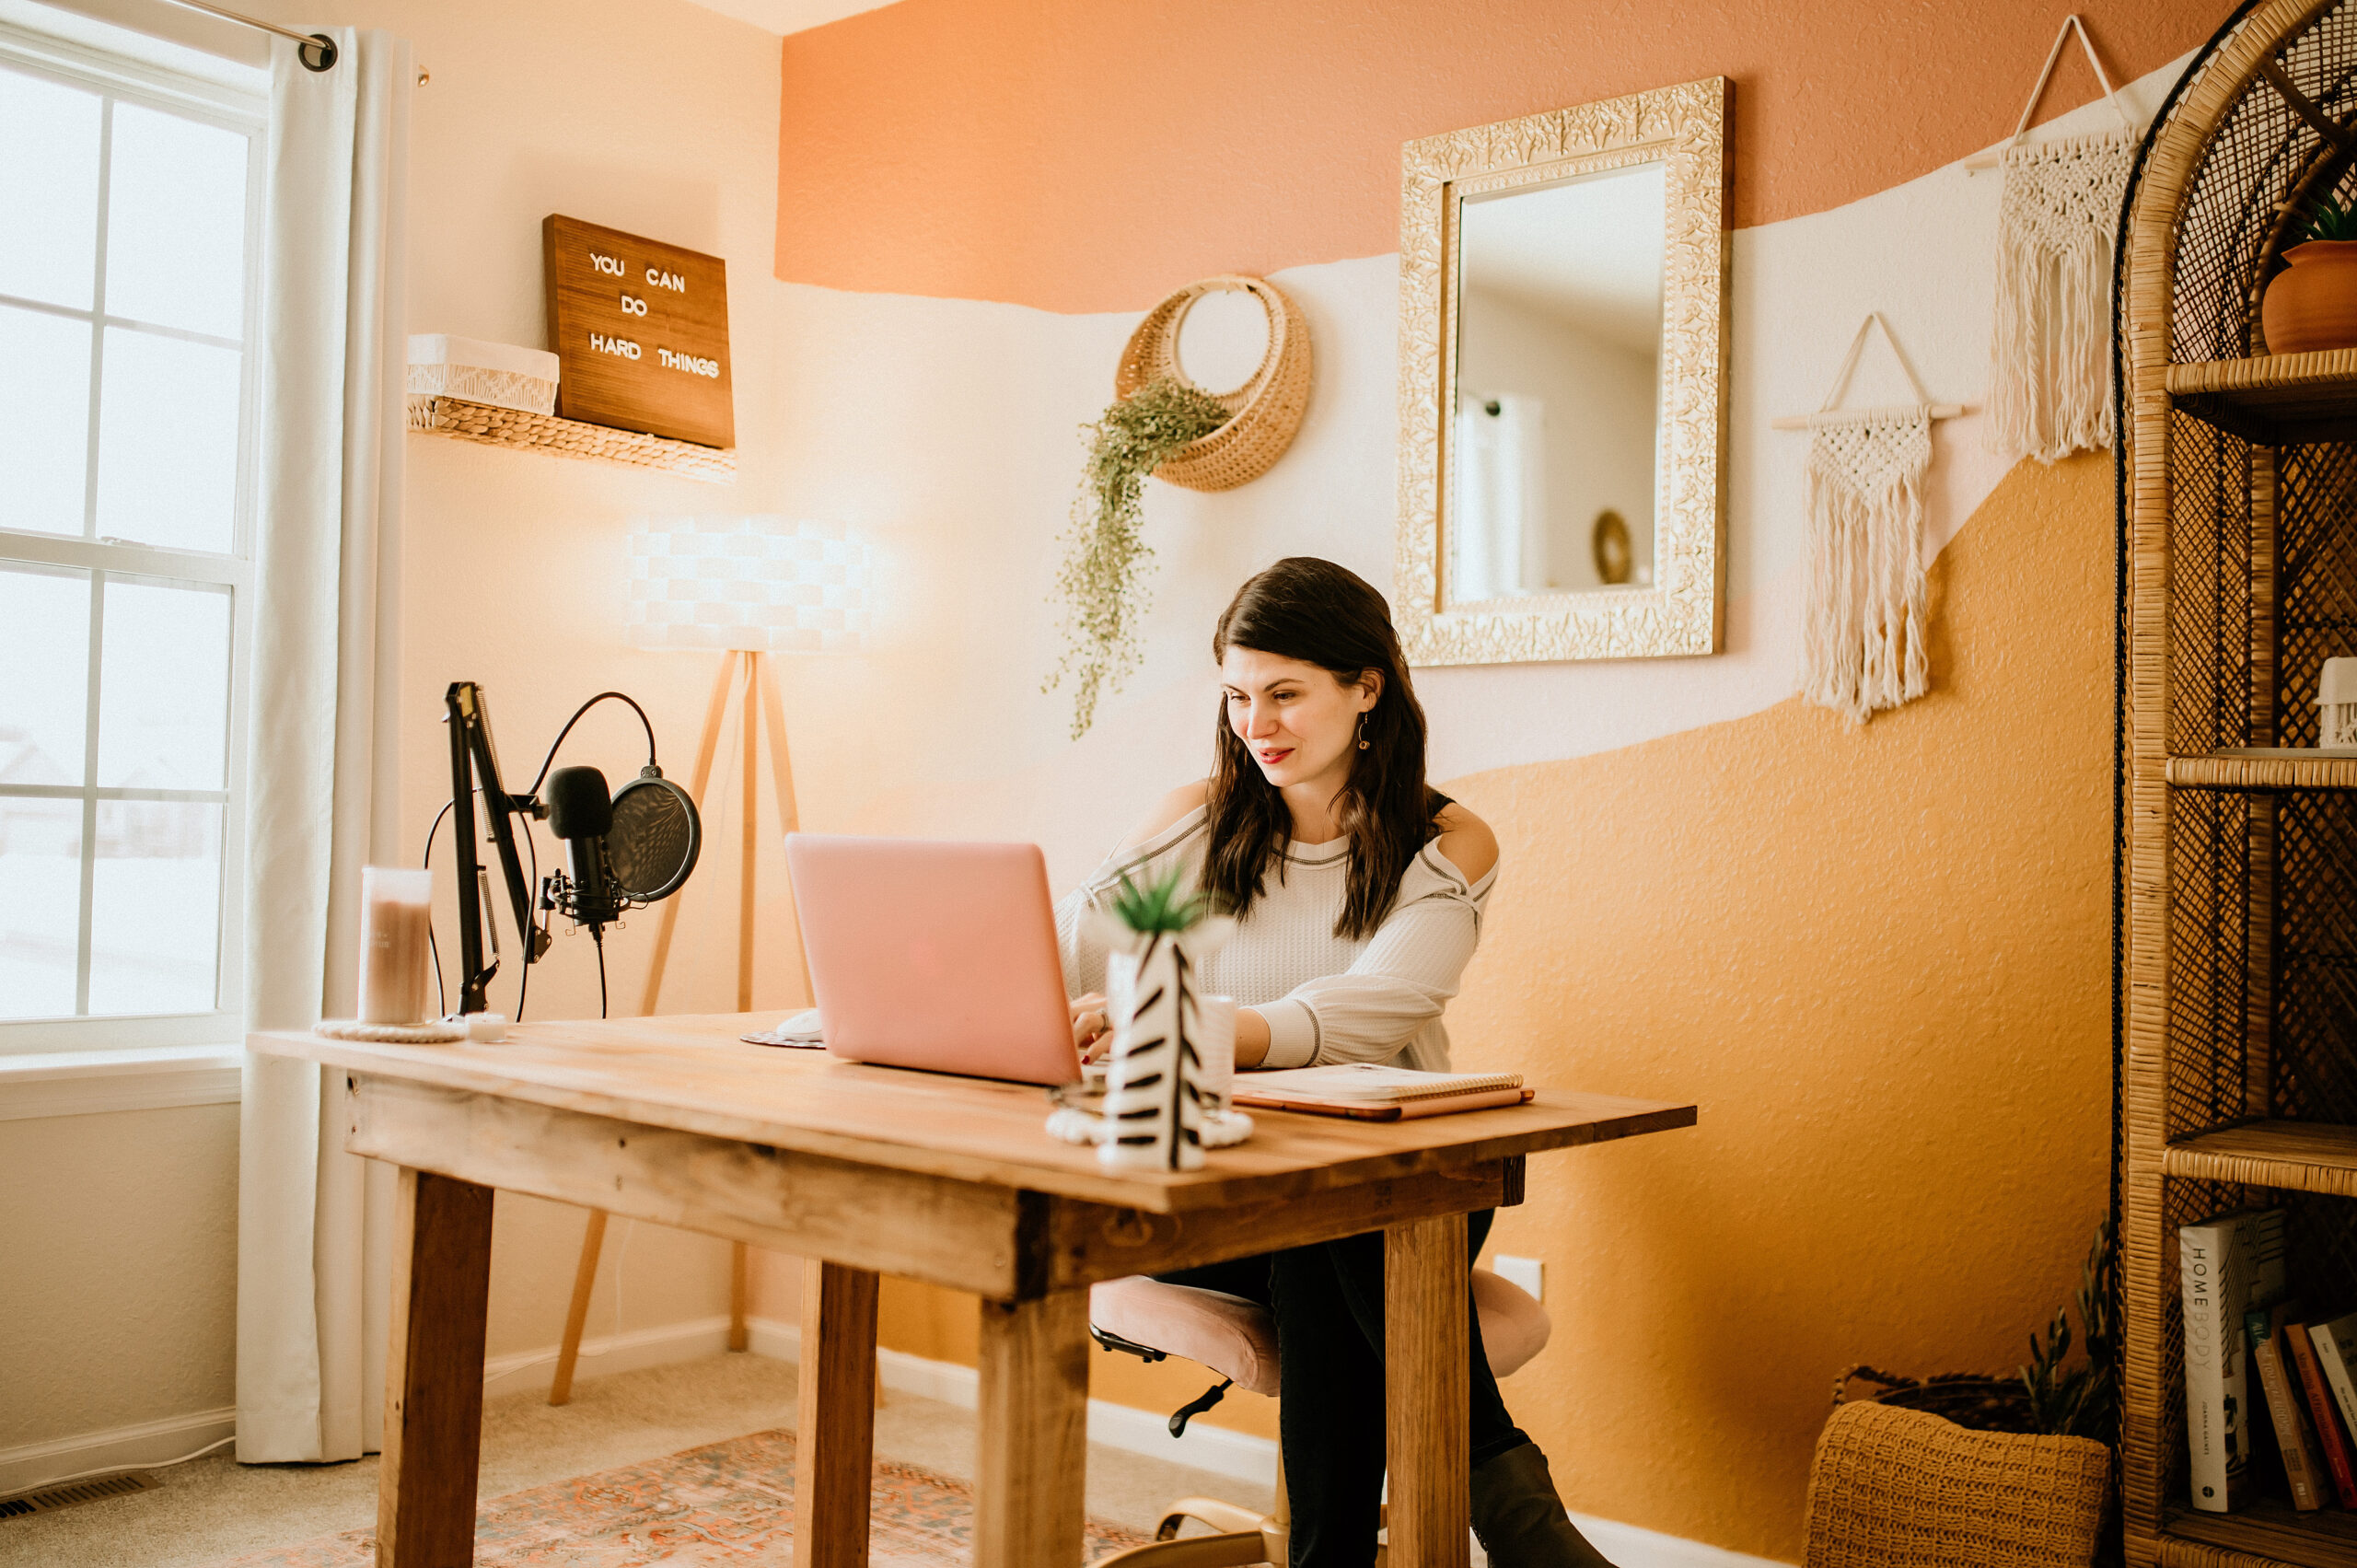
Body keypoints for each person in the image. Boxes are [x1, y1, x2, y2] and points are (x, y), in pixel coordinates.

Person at [1056, 557, 1612, 1568]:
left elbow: (1376, 1007)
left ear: (1367, 688)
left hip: (1399, 1176)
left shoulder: (1445, 842)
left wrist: (1203, 1024)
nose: (1254, 722)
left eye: (1282, 692)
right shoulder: (1193, 818)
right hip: (1213, 1184)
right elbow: (1066, 946)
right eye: (1235, 695)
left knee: (1333, 1216)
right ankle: (1525, 1525)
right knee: (1329, 1223)